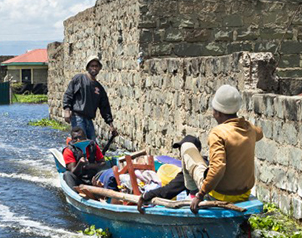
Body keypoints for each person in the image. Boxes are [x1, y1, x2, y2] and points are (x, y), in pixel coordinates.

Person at [137, 84, 263, 214]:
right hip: (243, 194)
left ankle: (192, 193)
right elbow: (260, 133)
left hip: (218, 194)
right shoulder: (249, 129)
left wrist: (200, 195)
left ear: (218, 112)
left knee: (186, 148)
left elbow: (218, 168)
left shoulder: (218, 133)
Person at [62, 56, 116, 142]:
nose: (94, 68)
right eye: (92, 66)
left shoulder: (99, 88)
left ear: (99, 69)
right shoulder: (79, 79)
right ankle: (79, 155)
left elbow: (104, 107)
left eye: (96, 66)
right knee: (81, 143)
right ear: (88, 67)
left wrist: (110, 124)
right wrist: (67, 110)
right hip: (77, 117)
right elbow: (69, 94)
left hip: (89, 119)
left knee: (92, 145)